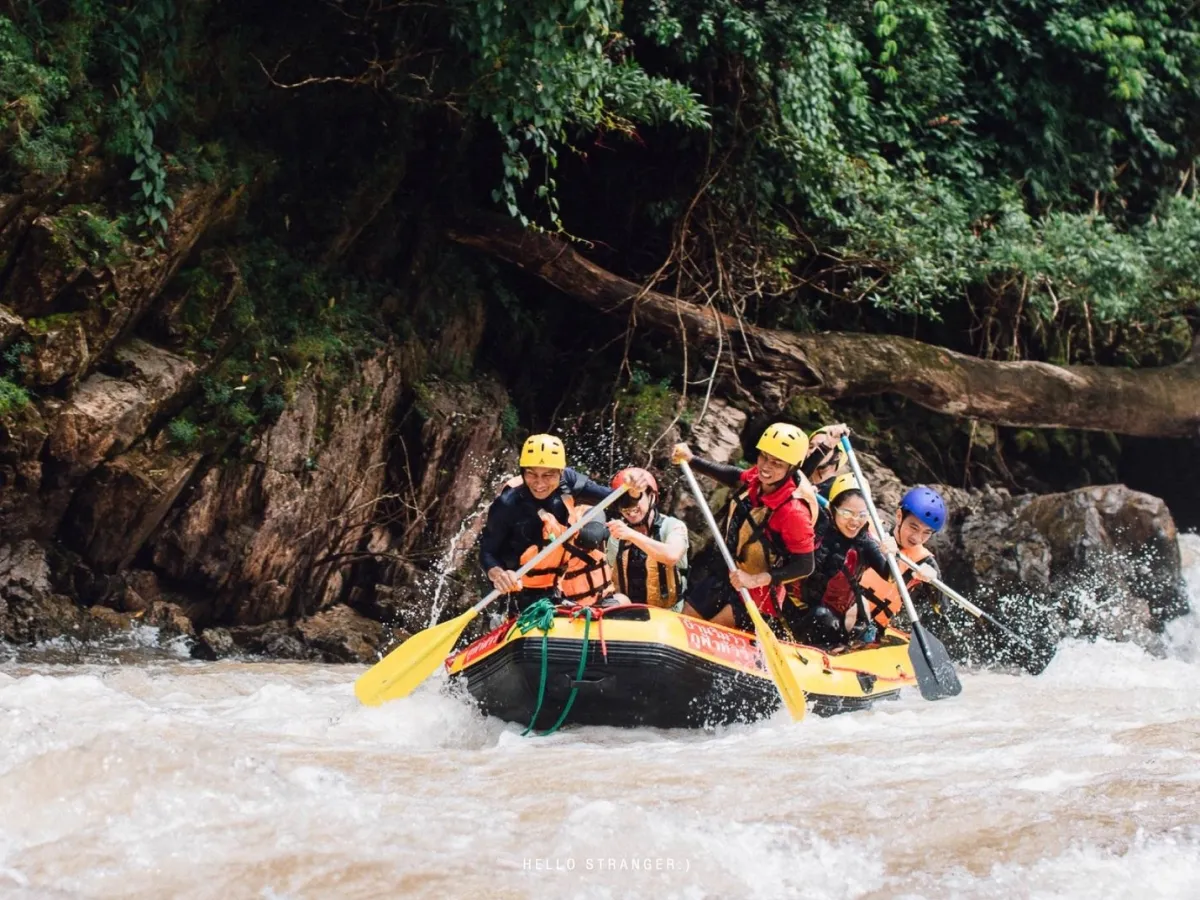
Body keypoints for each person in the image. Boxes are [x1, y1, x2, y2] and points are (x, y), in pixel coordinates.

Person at [478, 434, 647, 615]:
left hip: (552, 590)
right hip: (515, 590)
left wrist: (634, 493)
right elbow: (487, 551)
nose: (539, 483)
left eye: (548, 475)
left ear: (560, 472)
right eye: (531, 473)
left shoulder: (569, 483)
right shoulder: (508, 504)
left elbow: (620, 502)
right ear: (522, 471)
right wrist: (498, 575)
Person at [673, 423, 817, 631]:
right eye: (764, 457)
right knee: (684, 625)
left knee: (710, 632)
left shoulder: (794, 512)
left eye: (777, 463)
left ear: (791, 468)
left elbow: (805, 565)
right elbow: (734, 476)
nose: (766, 467)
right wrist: (692, 460)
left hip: (760, 590)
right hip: (727, 573)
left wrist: (754, 580)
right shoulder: (759, 479)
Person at [781, 473, 896, 648]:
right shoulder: (816, 521)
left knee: (820, 616)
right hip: (789, 606)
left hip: (829, 622)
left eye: (861, 514)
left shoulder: (866, 544)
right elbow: (792, 478)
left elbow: (890, 575)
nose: (854, 521)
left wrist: (892, 555)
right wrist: (805, 495)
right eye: (847, 513)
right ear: (832, 509)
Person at [859, 486, 945, 629]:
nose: (917, 538)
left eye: (926, 533)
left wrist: (933, 583)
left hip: (875, 629)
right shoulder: (872, 531)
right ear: (899, 516)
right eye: (914, 527)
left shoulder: (925, 562)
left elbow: (941, 610)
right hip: (842, 607)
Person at [605, 467, 689, 610]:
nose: (630, 507)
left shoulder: (673, 526)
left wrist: (631, 534)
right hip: (628, 612)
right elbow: (607, 577)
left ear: (652, 497)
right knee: (617, 599)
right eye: (624, 502)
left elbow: (671, 555)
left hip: (668, 613)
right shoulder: (617, 536)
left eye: (636, 497)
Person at [801, 423, 850, 497]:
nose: (813, 451)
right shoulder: (797, 476)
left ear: (837, 456)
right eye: (811, 446)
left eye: (821, 446)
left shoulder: (837, 492)